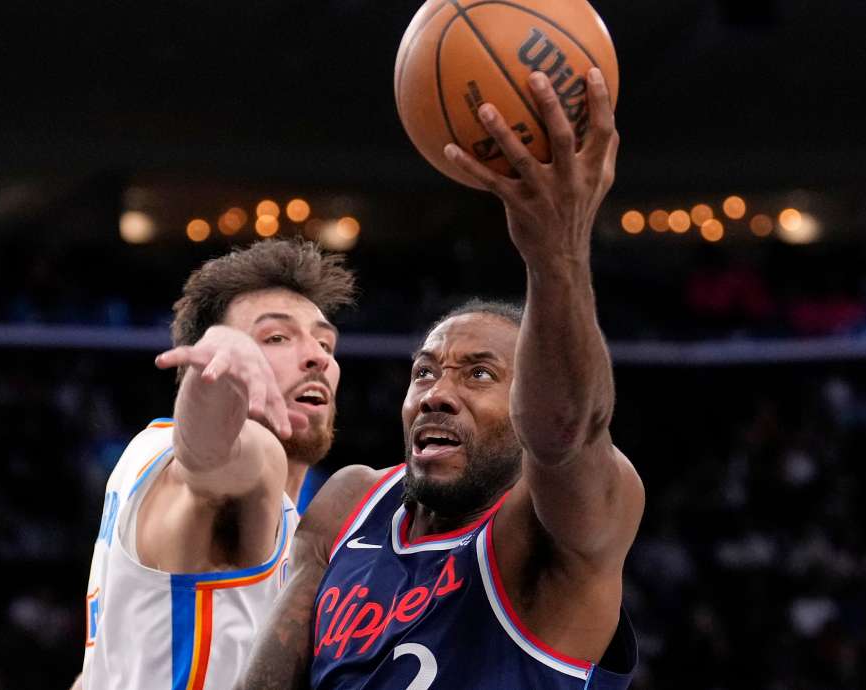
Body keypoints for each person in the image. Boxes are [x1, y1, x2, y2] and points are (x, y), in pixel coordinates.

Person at [237, 68, 642, 689]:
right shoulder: (350, 502)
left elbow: (565, 431)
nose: (437, 394)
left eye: (479, 374)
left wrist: (556, 254)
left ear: (525, 396)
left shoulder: (553, 527)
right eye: (424, 372)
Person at [71, 240, 357, 690]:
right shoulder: (245, 457)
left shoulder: (145, 457)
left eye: (325, 342)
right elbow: (210, 463)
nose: (318, 356)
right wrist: (214, 377)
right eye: (275, 338)